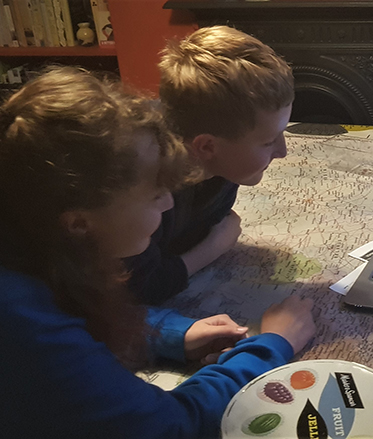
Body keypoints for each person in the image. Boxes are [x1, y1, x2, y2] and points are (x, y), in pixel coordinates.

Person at [0, 67, 315, 438]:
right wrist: (270, 346)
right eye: (154, 195)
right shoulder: (20, 318)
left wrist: (171, 332)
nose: (169, 204)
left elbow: (77, 315)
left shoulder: (34, 247)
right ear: (79, 223)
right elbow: (174, 425)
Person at [125, 25, 294, 305]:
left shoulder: (223, 161)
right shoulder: (142, 189)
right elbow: (140, 287)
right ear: (206, 147)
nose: (283, 151)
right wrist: (216, 245)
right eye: (268, 142)